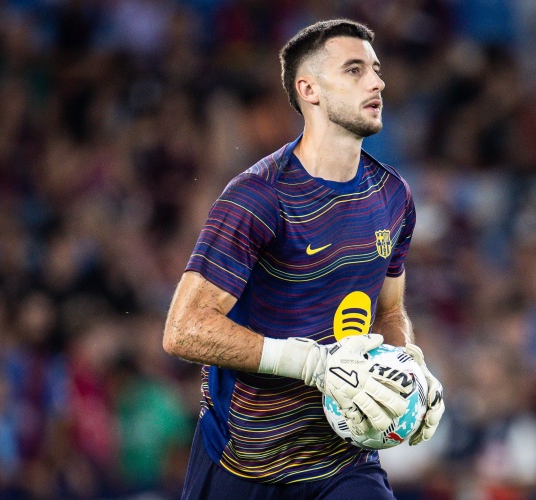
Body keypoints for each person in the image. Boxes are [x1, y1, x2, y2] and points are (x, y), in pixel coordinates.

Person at [162, 19, 445, 500]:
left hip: (342, 463)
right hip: (243, 459)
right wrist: (312, 363)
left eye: (376, 70)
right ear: (309, 89)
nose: (377, 83)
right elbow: (184, 329)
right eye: (354, 70)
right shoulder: (257, 197)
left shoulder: (393, 195)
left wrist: (406, 369)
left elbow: (389, 311)